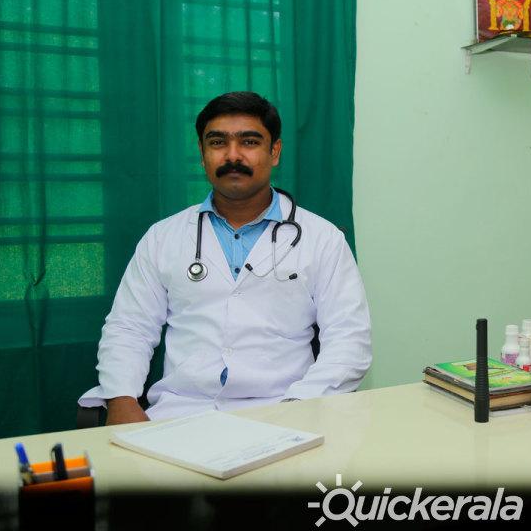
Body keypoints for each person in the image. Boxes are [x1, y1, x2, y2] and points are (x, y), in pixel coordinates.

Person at [79, 91, 372, 424]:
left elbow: (349, 339)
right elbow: (129, 328)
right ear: (202, 154)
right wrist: (121, 399)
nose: (233, 155)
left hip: (285, 410)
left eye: (249, 142)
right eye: (217, 143)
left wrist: (300, 407)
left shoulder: (323, 239)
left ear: (275, 151)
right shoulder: (162, 237)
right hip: (181, 416)